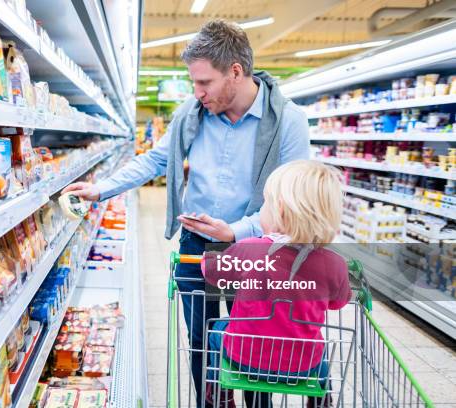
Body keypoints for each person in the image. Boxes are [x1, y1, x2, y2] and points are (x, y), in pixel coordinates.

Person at [63, 20, 310, 406]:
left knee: (254, 340)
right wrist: (100, 189)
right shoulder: (191, 114)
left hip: (259, 250)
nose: (197, 93)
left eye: (204, 83)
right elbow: (155, 160)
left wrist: (235, 231)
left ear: (235, 71)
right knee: (202, 344)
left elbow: (296, 199)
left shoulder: (289, 121)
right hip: (197, 249)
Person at [201, 160, 352, 408]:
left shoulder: (251, 250)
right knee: (318, 345)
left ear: (279, 209)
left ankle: (219, 395)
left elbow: (213, 274)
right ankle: (321, 399)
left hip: (246, 358)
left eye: (265, 204)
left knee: (217, 329)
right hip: (303, 364)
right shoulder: (334, 262)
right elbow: (338, 302)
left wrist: (207, 258)